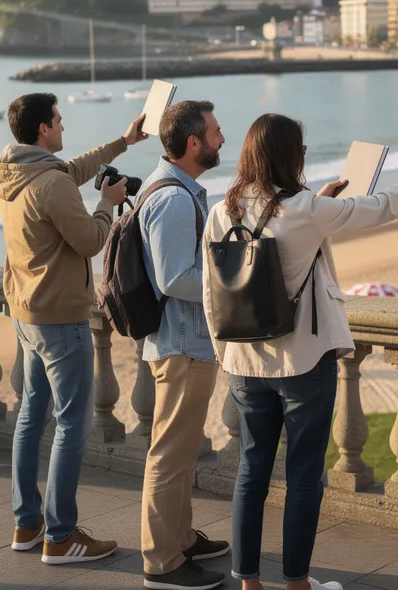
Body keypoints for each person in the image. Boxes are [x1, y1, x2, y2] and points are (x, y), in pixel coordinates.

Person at [202, 113, 398, 590]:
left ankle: (247, 580)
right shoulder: (304, 211)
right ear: (290, 157)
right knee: (304, 474)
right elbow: (383, 205)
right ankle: (297, 583)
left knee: (252, 471)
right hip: (302, 361)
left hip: (244, 362)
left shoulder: (221, 210)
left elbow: (212, 292)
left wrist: (223, 353)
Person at [0, 93, 145, 565]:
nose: (63, 126)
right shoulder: (51, 185)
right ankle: (60, 536)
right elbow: (90, 240)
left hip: (26, 314)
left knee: (30, 416)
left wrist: (124, 141)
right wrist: (107, 203)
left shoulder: (16, 172)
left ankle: (27, 523)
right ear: (43, 129)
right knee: (72, 425)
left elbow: (71, 169)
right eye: (59, 120)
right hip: (60, 319)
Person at [137, 101, 230, 590]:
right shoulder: (174, 199)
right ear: (193, 143)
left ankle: (181, 538)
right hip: (182, 343)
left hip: (182, 340)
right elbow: (175, 278)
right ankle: (162, 562)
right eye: (215, 132)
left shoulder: (174, 189)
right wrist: (231, 284)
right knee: (170, 456)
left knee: (182, 451)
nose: (222, 138)